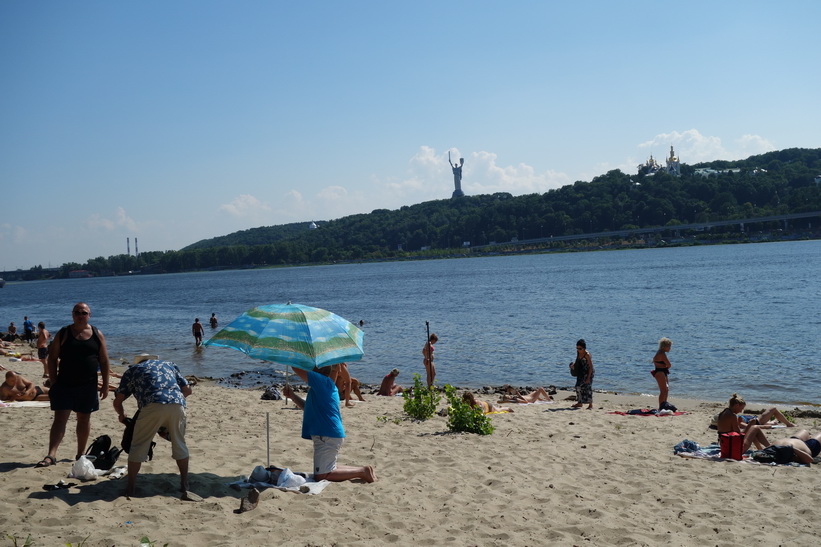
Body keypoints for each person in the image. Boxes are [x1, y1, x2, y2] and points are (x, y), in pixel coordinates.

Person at [113, 354, 200, 501]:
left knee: (139, 445)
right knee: (179, 443)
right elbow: (187, 390)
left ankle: (131, 488)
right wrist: (171, 402)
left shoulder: (133, 370)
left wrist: (121, 415)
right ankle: (185, 485)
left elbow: (118, 400)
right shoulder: (169, 364)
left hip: (151, 405)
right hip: (177, 404)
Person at [37, 302, 111, 467]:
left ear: (89, 315)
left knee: (84, 419)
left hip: (88, 385)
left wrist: (106, 384)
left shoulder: (97, 334)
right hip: (64, 384)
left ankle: (80, 454)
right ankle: (51, 455)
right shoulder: (64, 333)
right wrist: (54, 381)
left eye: (83, 312)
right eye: (77, 312)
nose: (80, 315)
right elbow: (52, 358)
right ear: (72, 314)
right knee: (60, 419)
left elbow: (104, 360)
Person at [291, 364, 376, 483]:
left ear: (317, 373)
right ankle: (363, 470)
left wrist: (291, 355)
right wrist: (292, 396)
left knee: (321, 476)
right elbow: (308, 408)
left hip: (326, 435)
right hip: (328, 434)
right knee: (329, 468)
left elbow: (296, 367)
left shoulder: (322, 382)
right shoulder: (327, 386)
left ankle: (362, 472)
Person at [712, 393, 795, 431]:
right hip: (756, 421)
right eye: (741, 408)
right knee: (773, 409)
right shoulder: (734, 417)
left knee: (772, 422)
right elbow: (746, 427)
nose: (741, 411)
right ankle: (788, 424)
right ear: (736, 405)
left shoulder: (726, 412)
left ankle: (772, 423)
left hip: (754, 420)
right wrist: (765, 427)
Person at [570, 339, 594, 409]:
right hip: (581, 372)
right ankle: (579, 402)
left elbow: (590, 367)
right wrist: (573, 365)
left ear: (584, 348)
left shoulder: (587, 355)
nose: (578, 350)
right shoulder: (578, 353)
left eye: (580, 348)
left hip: (588, 372)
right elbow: (577, 360)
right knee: (577, 387)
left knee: (588, 387)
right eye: (577, 348)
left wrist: (588, 377)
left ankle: (590, 404)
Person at [650, 337, 672, 409]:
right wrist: (666, 366)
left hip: (662, 371)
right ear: (664, 346)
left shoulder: (660, 352)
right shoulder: (661, 354)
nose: (670, 348)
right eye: (669, 346)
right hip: (660, 372)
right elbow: (669, 365)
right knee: (663, 391)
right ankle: (661, 407)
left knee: (666, 390)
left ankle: (664, 405)